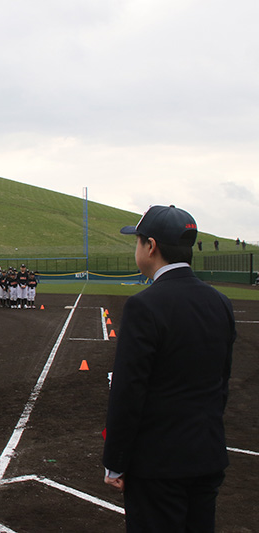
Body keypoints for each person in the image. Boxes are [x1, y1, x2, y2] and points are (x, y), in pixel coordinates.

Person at [103, 205, 236, 532]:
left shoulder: (144, 305)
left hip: (159, 465)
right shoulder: (220, 301)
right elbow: (222, 382)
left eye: (137, 242)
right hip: (207, 455)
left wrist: (116, 462)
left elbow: (128, 390)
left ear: (151, 246)